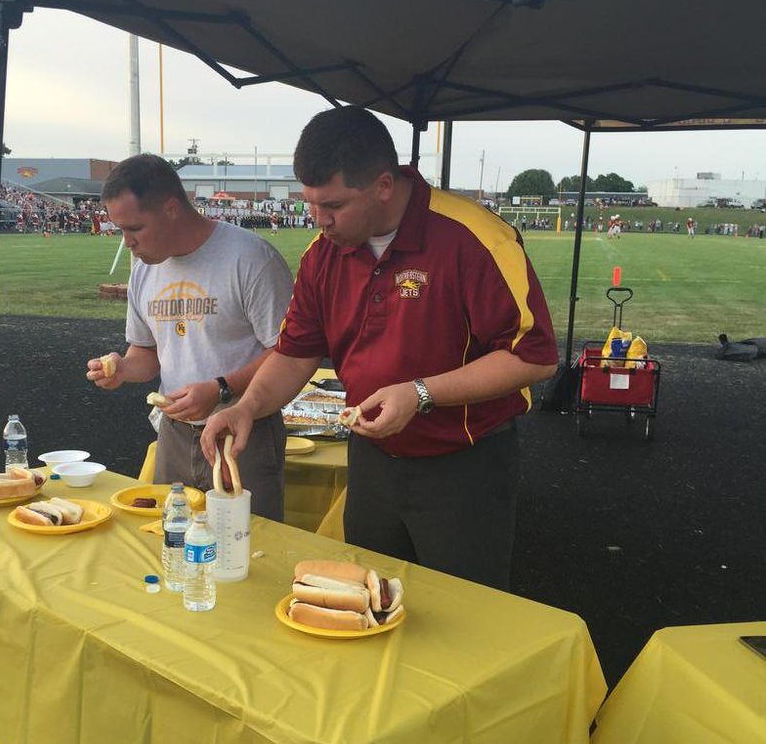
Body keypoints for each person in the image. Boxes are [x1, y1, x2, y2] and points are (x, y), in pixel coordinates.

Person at [201, 107, 558, 590]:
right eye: (310, 204)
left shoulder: (473, 238)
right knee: (366, 595)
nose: (319, 220)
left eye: (334, 205)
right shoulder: (322, 254)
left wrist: (420, 393)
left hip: (463, 465)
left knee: (462, 610)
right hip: (371, 459)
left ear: (384, 185)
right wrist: (247, 407)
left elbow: (534, 356)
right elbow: (296, 352)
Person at [86, 154, 294, 521]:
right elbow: (146, 352)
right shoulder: (144, 272)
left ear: (170, 209)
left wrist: (221, 388)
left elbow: (287, 353)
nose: (127, 242)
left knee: (249, 542)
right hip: (174, 435)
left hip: (242, 432)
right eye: (120, 230)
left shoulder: (250, 259)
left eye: (134, 228)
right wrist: (122, 368)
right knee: (170, 540)